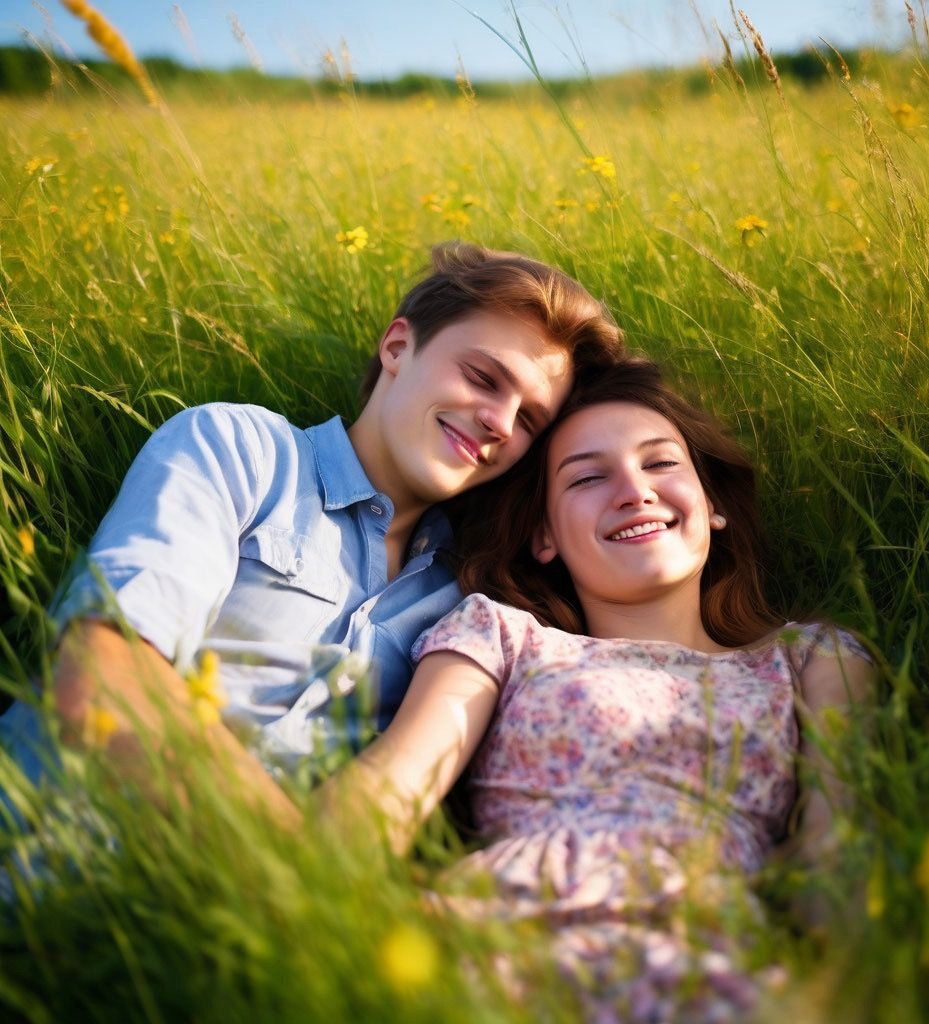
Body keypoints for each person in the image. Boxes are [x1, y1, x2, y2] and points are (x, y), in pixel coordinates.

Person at [0, 242, 624, 828]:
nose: (498, 421)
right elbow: (102, 674)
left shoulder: (467, 600)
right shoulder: (241, 452)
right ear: (398, 348)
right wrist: (292, 874)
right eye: (483, 378)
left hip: (213, 934)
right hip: (43, 853)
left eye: (529, 420)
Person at [326, 357, 875, 1022]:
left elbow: (837, 842)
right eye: (588, 476)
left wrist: (840, 991)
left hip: (706, 962)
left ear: (715, 504)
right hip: (492, 939)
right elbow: (391, 788)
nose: (633, 490)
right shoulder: (502, 637)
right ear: (544, 536)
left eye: (660, 463)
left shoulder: (811, 661)